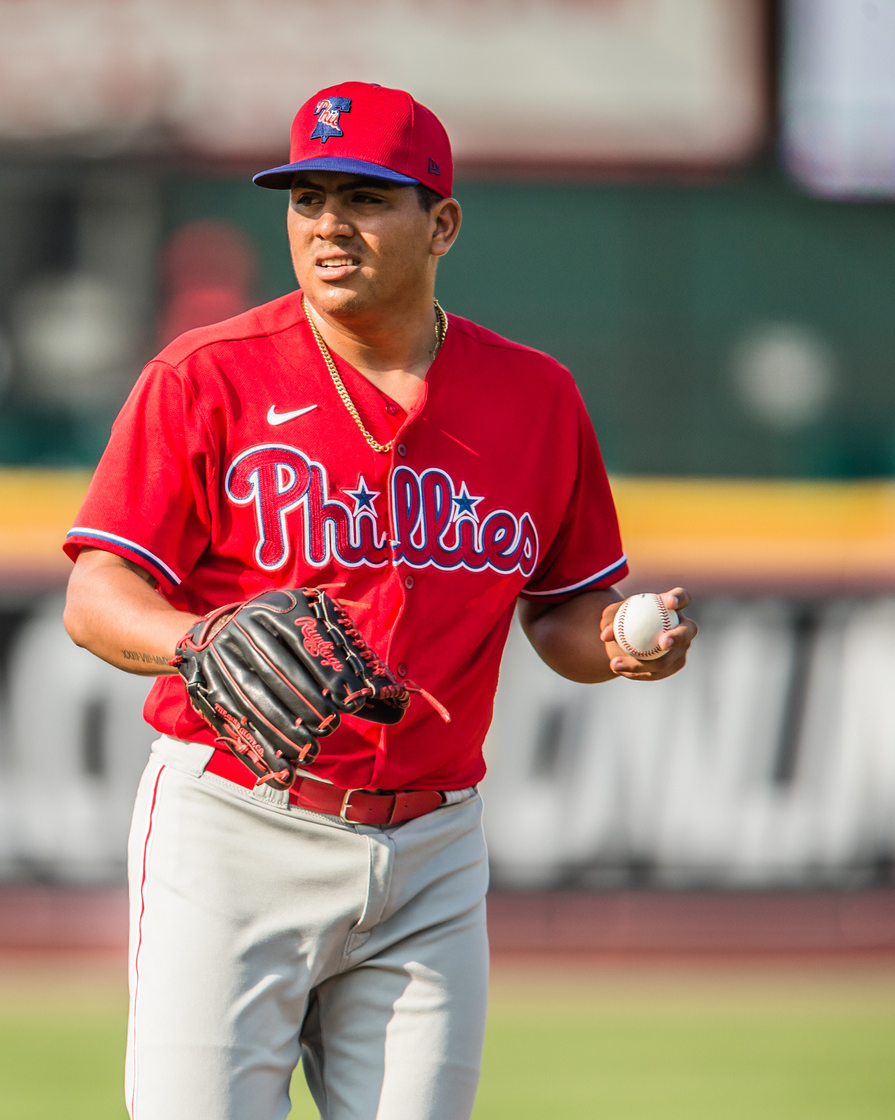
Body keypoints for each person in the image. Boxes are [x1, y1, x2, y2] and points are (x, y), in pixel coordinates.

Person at [63, 81, 696, 1120]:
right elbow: (96, 593)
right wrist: (196, 639)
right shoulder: (205, 377)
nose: (327, 226)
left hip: (431, 854)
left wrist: (620, 646)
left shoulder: (535, 397)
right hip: (234, 826)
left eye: (363, 198)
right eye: (305, 199)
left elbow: (563, 613)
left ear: (439, 223)